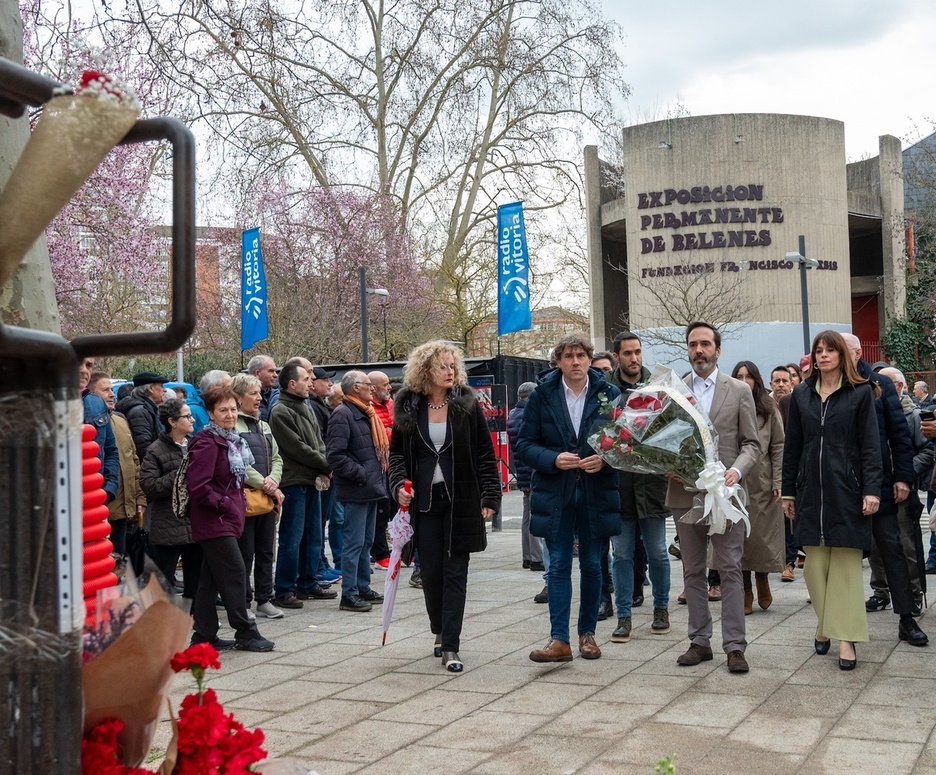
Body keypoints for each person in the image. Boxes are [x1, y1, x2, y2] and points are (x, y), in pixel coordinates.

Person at [389, 341, 501, 673]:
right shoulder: (408, 407)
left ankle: (451, 645)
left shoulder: (466, 405)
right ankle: (439, 630)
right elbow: (396, 455)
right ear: (426, 371)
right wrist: (398, 486)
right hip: (423, 503)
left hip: (461, 500)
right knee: (432, 574)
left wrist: (490, 497)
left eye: (452, 366)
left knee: (456, 574)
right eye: (443, 366)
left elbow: (484, 452)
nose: (450, 371)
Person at [517, 333, 621, 663]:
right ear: (558, 361)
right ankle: (559, 640)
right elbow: (525, 444)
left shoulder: (610, 394)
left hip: (596, 490)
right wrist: (552, 459)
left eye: (581, 355)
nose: (575, 361)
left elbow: (625, 443)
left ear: (590, 360)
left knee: (593, 564)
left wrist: (605, 459)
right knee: (559, 565)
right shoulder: (542, 395)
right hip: (555, 491)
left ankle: (587, 634)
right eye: (568, 356)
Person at [782, 331, 883, 670]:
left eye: (829, 350)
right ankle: (826, 624)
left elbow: (871, 446)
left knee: (844, 571)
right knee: (813, 569)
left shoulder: (860, 394)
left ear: (842, 355)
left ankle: (845, 640)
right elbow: (792, 447)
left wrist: (871, 489)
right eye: (818, 351)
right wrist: (789, 491)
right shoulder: (801, 395)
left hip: (848, 492)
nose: (823, 355)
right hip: (811, 492)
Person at [669, 322, 759, 674]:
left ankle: (735, 646)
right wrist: (665, 463)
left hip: (726, 493)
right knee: (692, 569)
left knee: (731, 569)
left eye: (705, 344)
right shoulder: (674, 391)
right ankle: (699, 641)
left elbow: (752, 444)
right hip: (684, 492)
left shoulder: (738, 390)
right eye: (693, 345)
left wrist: (736, 471)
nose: (699, 350)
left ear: (718, 350)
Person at [840, 334, 928, 647]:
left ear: (857, 352)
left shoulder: (879, 384)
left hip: (880, 482)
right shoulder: (828, 387)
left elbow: (899, 436)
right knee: (841, 557)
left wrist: (903, 478)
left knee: (893, 550)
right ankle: (836, 626)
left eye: (841, 350)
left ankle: (906, 618)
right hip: (842, 486)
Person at [188, 386, 274, 652]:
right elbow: (198, 486)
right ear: (211, 414)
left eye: (233, 409)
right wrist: (224, 504)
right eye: (222, 410)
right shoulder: (207, 442)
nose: (229, 414)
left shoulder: (232, 440)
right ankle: (245, 632)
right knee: (235, 573)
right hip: (214, 520)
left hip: (227, 519)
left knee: (210, 578)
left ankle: (203, 635)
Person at [607, 331, 671, 644]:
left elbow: (672, 432)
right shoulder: (605, 391)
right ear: (616, 356)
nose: (634, 358)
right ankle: (623, 616)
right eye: (628, 353)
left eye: (638, 352)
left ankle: (661, 609)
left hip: (651, 486)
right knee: (620, 553)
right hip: (619, 486)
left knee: (658, 552)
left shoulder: (658, 388)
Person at [269, 361, 337, 608]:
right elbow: (297, 448)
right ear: (291, 383)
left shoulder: (304, 407)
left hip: (311, 479)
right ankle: (284, 589)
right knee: (292, 537)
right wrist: (327, 465)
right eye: (306, 379)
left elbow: (318, 441)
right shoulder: (280, 411)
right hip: (294, 480)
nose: (311, 382)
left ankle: (308, 582)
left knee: (313, 535)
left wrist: (324, 465)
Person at [867, 367, 932, 615]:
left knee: (905, 546)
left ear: (899, 386)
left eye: (886, 383)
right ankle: (880, 591)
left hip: (902, 490)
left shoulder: (913, 415)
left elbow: (926, 451)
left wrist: (903, 474)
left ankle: (913, 593)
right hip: (878, 487)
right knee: (874, 545)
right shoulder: (871, 409)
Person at [326, 371, 388, 612]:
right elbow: (335, 455)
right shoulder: (343, 414)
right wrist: (362, 474)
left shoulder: (366, 413)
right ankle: (349, 593)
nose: (371, 389)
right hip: (357, 487)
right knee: (353, 543)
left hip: (371, 487)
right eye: (367, 385)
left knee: (366, 542)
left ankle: (362, 586)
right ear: (354, 389)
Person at [730, 361, 785, 614]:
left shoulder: (768, 406)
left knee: (761, 536)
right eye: (739, 376)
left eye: (748, 376)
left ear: (757, 380)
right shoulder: (729, 403)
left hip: (762, 478)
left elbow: (778, 445)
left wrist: (778, 481)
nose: (744, 380)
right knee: (738, 536)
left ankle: (762, 579)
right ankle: (745, 589)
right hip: (735, 479)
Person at [232, 373, 286, 621]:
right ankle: (243, 602)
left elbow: (277, 457)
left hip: (266, 498)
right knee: (245, 554)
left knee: (266, 552)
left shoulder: (263, 424)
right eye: (253, 393)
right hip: (245, 500)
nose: (258, 398)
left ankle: (265, 599)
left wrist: (273, 481)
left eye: (258, 393)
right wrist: (267, 484)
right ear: (238, 397)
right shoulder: (234, 427)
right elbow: (239, 465)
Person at [139, 398, 202, 608]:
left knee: (196, 575)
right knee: (164, 577)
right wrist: (180, 473)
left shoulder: (196, 444)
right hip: (168, 523)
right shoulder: (155, 450)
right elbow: (149, 486)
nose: (192, 419)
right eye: (186, 416)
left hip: (195, 521)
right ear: (172, 422)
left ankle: (196, 617)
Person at [309, 366, 343, 585]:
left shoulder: (318, 405)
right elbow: (320, 440)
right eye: (324, 380)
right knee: (318, 522)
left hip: (326, 468)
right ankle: (317, 567)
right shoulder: (312, 406)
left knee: (322, 521)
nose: (329, 384)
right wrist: (327, 466)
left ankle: (321, 563)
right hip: (320, 470)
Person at [507, 382, 544, 573]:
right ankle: (537, 558)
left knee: (526, 514)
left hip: (522, 471)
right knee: (535, 513)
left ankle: (527, 556)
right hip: (531, 470)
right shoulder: (528, 415)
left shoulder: (513, 414)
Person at [246, 355, 279, 422]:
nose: (275, 375)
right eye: (271, 371)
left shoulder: (278, 395)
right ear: (257, 373)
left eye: (275, 371)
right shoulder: (244, 398)